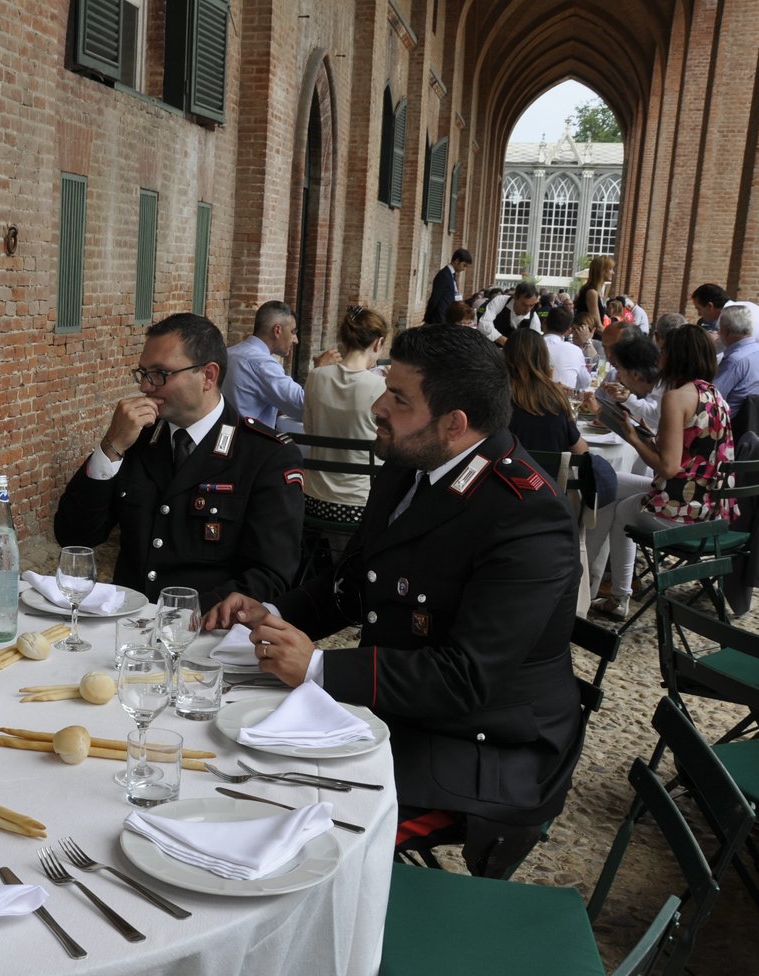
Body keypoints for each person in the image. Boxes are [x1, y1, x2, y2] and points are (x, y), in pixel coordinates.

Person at [202, 324, 580, 878]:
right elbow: (354, 583)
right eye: (386, 387)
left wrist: (318, 667)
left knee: (288, 831)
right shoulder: (408, 465)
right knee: (236, 762)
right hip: (403, 714)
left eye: (399, 399)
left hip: (484, 748)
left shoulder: (526, 516)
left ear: (455, 424)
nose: (378, 406)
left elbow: (466, 678)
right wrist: (274, 613)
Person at [55, 312, 304, 609]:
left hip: (206, 635)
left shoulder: (264, 455)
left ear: (208, 376)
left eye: (160, 374)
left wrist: (188, 615)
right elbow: (74, 535)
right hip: (127, 624)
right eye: (143, 373)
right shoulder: (138, 440)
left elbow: (271, 575)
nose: (146, 387)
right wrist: (111, 447)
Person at [586, 326, 736, 619]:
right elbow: (688, 451)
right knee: (606, 484)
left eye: (665, 351)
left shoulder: (677, 396)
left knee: (619, 509)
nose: (659, 356)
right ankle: (588, 581)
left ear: (677, 356)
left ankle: (613, 594)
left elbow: (668, 467)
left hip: (684, 509)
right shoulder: (713, 393)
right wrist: (645, 435)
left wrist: (631, 437)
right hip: (709, 504)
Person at [302, 305, 391, 525]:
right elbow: (390, 446)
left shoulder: (316, 376)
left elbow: (309, 430)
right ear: (378, 343)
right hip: (360, 502)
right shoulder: (380, 386)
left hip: (313, 498)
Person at [505, 330, 588, 456]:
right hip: (549, 475)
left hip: (508, 473)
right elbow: (582, 451)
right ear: (543, 358)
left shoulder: (499, 397)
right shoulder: (556, 396)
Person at [223, 301, 304, 426]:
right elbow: (303, 406)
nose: (295, 340)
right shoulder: (262, 364)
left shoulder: (229, 353)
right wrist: (321, 372)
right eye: (293, 332)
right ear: (277, 330)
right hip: (250, 442)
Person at [710, 303, 759, 421]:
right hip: (758, 421)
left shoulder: (735, 360)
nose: (718, 334)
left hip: (731, 424)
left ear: (725, 331)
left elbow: (712, 397)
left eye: (719, 330)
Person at [690, 283, 759, 361]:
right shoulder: (743, 306)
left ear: (709, 306)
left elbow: (725, 349)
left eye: (698, 308)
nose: (699, 314)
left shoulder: (730, 316)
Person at [476, 281, 543, 346]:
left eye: (531, 305)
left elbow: (536, 343)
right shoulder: (500, 301)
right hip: (490, 349)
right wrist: (502, 340)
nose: (528, 309)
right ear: (515, 297)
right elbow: (483, 324)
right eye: (524, 305)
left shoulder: (534, 318)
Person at [541, 306, 590, 391]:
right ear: (568, 331)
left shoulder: (528, 345)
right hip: (563, 400)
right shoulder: (575, 351)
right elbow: (584, 383)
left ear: (544, 323)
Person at [424, 248, 472, 325]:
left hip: (448, 318)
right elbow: (435, 297)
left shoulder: (451, 275)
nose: (464, 269)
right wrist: (427, 318)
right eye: (464, 265)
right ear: (457, 261)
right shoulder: (444, 275)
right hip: (440, 319)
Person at [575, 256, 613, 329]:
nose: (613, 272)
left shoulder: (594, 291)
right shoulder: (592, 293)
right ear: (602, 271)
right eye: (610, 269)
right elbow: (597, 325)